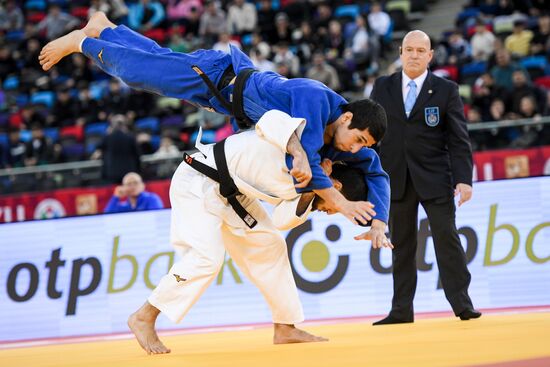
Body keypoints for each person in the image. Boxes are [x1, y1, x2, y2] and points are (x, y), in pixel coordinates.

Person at [38, 11, 388, 227]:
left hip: (221, 98)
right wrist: (343, 205)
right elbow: (305, 159)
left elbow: (376, 170)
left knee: (156, 60)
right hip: (216, 75)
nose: (356, 148)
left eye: (363, 145)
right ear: (346, 117)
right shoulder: (315, 99)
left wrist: (379, 223)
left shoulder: (345, 142)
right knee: (137, 73)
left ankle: (106, 29)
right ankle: (81, 42)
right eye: (358, 138)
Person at [127, 109, 393, 354]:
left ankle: (285, 326)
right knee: (207, 258)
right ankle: (144, 316)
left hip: (234, 195)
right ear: (335, 184)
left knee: (271, 244)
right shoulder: (308, 142)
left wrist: (314, 189)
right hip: (199, 178)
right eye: (335, 208)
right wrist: (298, 152)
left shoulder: (313, 185)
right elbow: (269, 120)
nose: (329, 211)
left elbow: (280, 219)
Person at [370, 30, 481, 325]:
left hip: (435, 178)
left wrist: (464, 179)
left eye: (421, 50)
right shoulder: (382, 87)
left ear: (430, 55)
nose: (415, 55)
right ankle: (401, 310)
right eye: (409, 49)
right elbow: (370, 136)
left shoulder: (446, 90)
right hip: (395, 177)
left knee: (447, 239)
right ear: (401, 52)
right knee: (401, 247)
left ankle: (462, 303)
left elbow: (459, 139)